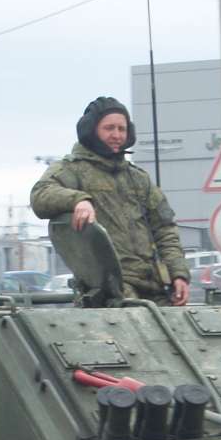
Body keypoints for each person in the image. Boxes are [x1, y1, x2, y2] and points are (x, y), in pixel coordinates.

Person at [30, 96, 188, 304]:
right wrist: (78, 200)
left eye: (122, 129)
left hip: (155, 285)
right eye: (109, 128)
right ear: (92, 129)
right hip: (111, 289)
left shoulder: (138, 179)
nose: (116, 135)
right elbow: (41, 194)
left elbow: (165, 229)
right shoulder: (73, 170)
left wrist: (178, 274)